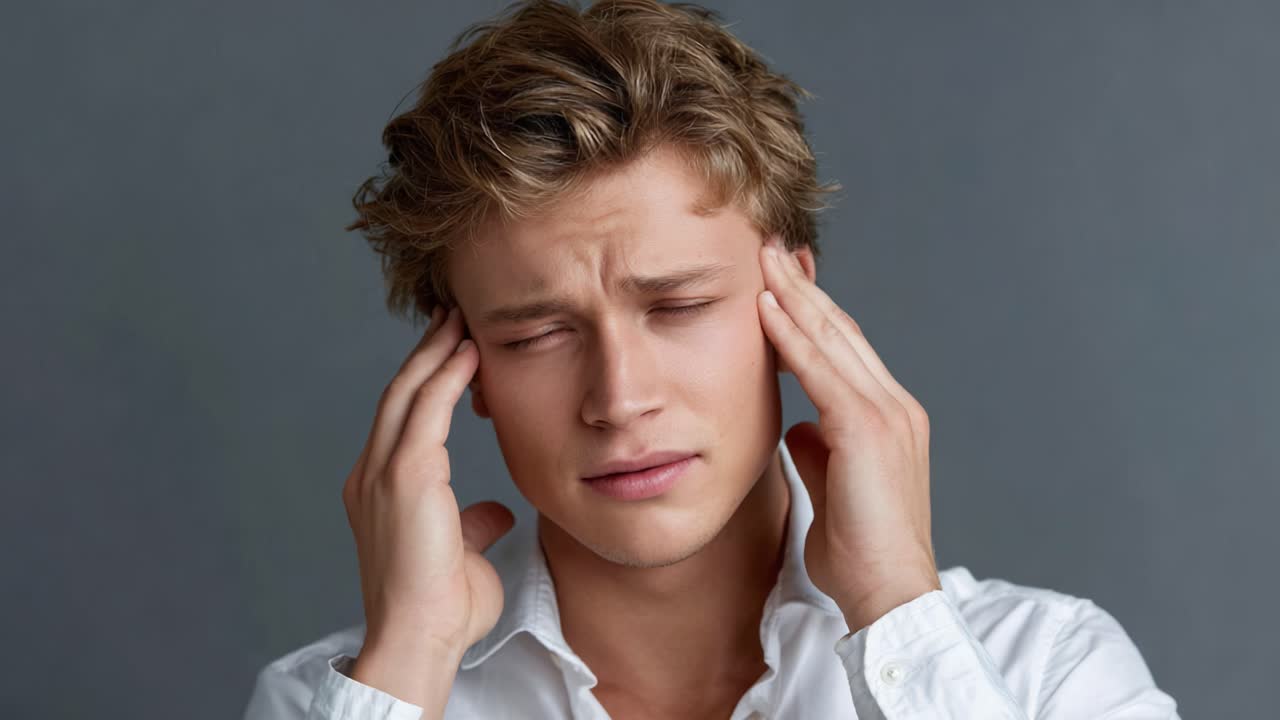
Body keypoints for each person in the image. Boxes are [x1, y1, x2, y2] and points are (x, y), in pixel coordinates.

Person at [243, 1, 1181, 718]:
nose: (620, 398)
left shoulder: (1044, 671)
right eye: (536, 335)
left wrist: (898, 605)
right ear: (467, 364)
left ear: (795, 304)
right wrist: (409, 660)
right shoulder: (348, 697)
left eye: (680, 306)